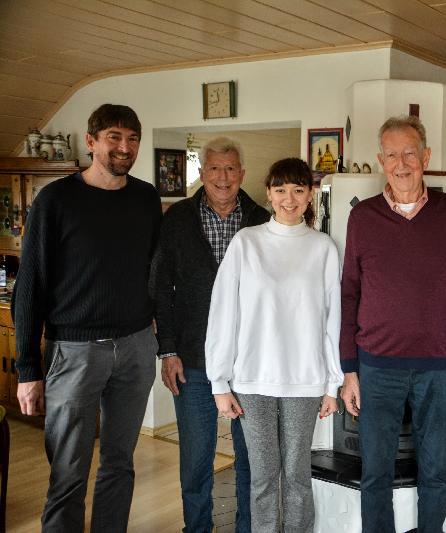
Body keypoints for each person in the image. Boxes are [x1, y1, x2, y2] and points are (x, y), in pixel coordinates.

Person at [13, 103, 162, 532]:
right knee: (68, 472)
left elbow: (153, 267)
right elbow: (30, 286)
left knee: (119, 462)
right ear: (92, 141)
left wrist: (155, 325)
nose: (124, 147)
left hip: (135, 347)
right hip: (74, 351)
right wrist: (27, 369)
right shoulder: (55, 200)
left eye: (132, 138)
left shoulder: (145, 197)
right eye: (114, 137)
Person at [339, 115, 446, 533]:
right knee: (375, 473)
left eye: (409, 152)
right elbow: (349, 291)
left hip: (440, 364)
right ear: (380, 160)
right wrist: (349, 369)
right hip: (377, 364)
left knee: (436, 469)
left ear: (425, 156)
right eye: (391, 154)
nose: (401, 162)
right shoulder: (363, 218)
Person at [206, 157, 342, 532]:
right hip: (252, 383)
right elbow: (223, 314)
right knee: (263, 478)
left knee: (297, 477)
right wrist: (220, 383)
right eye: (280, 190)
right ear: (268, 193)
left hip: (305, 382)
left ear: (311, 195)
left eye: (298, 190)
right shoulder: (246, 243)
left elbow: (334, 320)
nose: (289, 198)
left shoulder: (324, 248)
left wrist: (332, 384)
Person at [151, 137, 268, 532]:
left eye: (231, 169)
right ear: (202, 173)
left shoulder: (261, 219)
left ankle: (246, 528)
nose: (223, 177)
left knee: (250, 458)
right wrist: (167, 349)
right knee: (197, 459)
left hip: (249, 363)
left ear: (242, 174)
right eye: (215, 169)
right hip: (193, 359)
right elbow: (159, 286)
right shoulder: (178, 218)